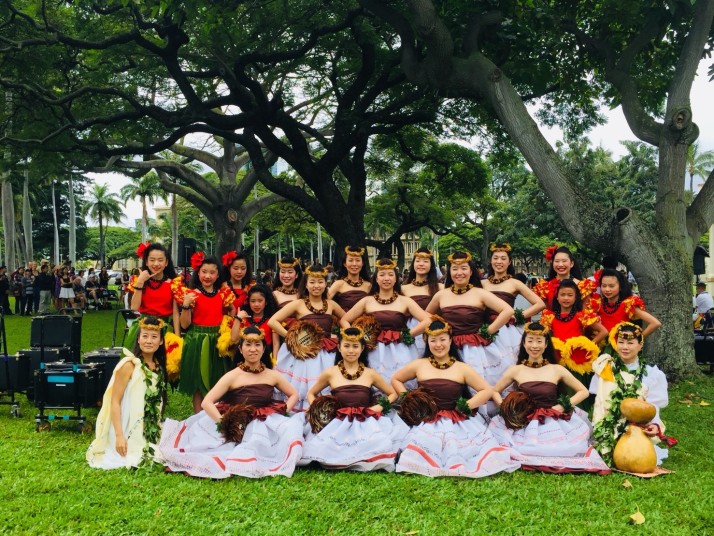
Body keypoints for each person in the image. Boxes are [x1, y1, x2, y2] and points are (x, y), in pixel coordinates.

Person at [159, 326, 304, 479]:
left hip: (262, 421)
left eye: (257, 345)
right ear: (240, 349)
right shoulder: (232, 376)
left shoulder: (272, 375)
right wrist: (225, 424)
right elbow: (207, 402)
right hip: (236, 420)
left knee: (290, 429)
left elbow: (294, 394)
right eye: (248, 345)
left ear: (263, 349)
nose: (253, 349)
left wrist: (282, 410)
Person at [391, 316, 520, 478]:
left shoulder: (461, 368)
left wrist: (467, 405)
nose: (438, 345)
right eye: (433, 340)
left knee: (461, 448)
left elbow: (486, 390)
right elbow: (396, 379)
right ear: (427, 342)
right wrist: (410, 400)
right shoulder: (420, 364)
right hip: (427, 419)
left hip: (457, 420)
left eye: (442, 340)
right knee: (425, 443)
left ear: (450, 340)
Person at [488, 322, 610, 473]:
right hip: (524, 421)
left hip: (553, 419)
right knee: (520, 448)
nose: (534, 346)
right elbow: (495, 391)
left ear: (546, 344)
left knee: (560, 449)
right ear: (524, 344)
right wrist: (506, 408)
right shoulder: (516, 370)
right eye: (530, 341)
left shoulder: (556, 369)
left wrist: (563, 406)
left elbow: (583, 391)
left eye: (539, 341)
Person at [300, 327, 407, 471]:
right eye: (347, 346)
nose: (351, 350)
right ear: (339, 347)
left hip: (365, 420)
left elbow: (392, 394)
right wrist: (319, 410)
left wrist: (378, 408)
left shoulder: (370, 373)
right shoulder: (330, 373)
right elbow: (311, 393)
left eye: (355, 346)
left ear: (362, 348)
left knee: (377, 444)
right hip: (337, 421)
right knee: (323, 448)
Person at [425, 251, 514, 392]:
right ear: (449, 272)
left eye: (464, 268)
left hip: (475, 350)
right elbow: (426, 316)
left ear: (471, 272)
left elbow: (507, 310)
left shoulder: (480, 293)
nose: (459, 273)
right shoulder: (441, 295)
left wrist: (489, 331)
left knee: (477, 388)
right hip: (447, 348)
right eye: (455, 269)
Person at [86, 316, 168, 469]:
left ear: (161, 341)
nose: (149, 341)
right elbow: (115, 401)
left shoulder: (158, 366)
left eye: (154, 337)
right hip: (124, 426)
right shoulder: (128, 365)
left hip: (146, 424)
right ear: (138, 339)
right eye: (145, 336)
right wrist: (119, 436)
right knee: (134, 458)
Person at [590, 323, 672, 467]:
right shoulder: (605, 370)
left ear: (640, 345)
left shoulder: (652, 375)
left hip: (636, 427)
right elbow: (600, 403)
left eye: (630, 343)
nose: (625, 347)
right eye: (621, 342)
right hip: (609, 426)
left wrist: (654, 425)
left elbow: (652, 407)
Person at [269, 264, 348, 410]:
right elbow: (273, 321)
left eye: (320, 282)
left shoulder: (331, 304)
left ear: (326, 284)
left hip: (325, 353)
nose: (316, 286)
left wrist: (346, 336)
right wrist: (291, 337)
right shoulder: (298, 304)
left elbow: (346, 319)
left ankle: (322, 411)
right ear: (305, 284)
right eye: (312, 282)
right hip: (303, 354)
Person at [342, 258, 431, 386]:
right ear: (376, 279)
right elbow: (345, 320)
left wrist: (408, 334)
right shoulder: (367, 301)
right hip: (374, 350)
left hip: (401, 349)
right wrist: (355, 338)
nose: (386, 278)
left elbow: (427, 321)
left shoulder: (405, 301)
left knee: (402, 384)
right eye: (382, 275)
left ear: (396, 279)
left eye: (390, 275)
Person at [177, 252, 235, 413]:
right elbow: (184, 324)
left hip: (217, 341)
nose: (207, 276)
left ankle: (215, 415)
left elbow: (232, 310)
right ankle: (198, 418)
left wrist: (228, 327)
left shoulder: (223, 294)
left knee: (217, 380)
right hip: (197, 340)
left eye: (212, 272)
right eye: (204, 272)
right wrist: (186, 305)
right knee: (198, 383)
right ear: (198, 273)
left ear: (218, 275)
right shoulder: (192, 295)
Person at [482, 243, 547, 357]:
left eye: (503, 258)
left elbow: (540, 304)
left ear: (509, 262)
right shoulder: (482, 284)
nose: (499, 262)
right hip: (484, 327)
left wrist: (518, 316)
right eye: (495, 258)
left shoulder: (515, 283)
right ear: (491, 261)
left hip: (505, 332)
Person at [127, 242, 181, 351]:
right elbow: (134, 307)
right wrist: (140, 282)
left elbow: (176, 314)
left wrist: (177, 337)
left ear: (166, 262)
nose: (156, 264)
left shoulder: (174, 284)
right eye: (152, 260)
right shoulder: (139, 281)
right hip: (143, 328)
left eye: (160, 260)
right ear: (146, 262)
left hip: (164, 329)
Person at [539, 279, 608, 360]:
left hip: (576, 358)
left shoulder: (582, 316)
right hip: (557, 358)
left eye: (570, 295)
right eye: (562, 295)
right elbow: (548, 337)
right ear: (557, 297)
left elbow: (604, 332)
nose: (566, 298)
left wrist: (588, 346)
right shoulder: (549, 316)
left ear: (575, 297)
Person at [594, 268, 661, 338]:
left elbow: (655, 323)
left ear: (620, 287)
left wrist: (637, 340)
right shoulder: (597, 303)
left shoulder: (627, 305)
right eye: (604, 286)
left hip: (620, 344)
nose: (607, 289)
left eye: (611, 286)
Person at [401, 247, 444, 355]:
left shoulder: (440, 288)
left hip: (434, 330)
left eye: (425, 261)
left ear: (431, 265)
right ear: (413, 264)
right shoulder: (403, 289)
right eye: (418, 261)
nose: (421, 264)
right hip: (409, 330)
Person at [534, 245, 597, 311]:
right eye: (557, 261)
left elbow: (586, 312)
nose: (560, 265)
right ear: (552, 264)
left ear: (571, 264)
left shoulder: (583, 286)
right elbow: (544, 310)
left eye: (564, 261)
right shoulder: (544, 286)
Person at [230, 284, 280, 358]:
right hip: (246, 358)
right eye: (253, 301)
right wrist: (238, 318)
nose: (256, 304)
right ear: (248, 302)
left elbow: (276, 344)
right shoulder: (244, 319)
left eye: (260, 301)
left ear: (266, 302)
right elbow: (233, 339)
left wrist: (275, 361)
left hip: (266, 358)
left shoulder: (272, 320)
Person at [327, 245, 372, 312]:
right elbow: (324, 302)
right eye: (350, 260)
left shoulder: (369, 285)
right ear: (345, 264)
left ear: (362, 263)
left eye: (358, 260)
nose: (354, 264)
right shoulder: (338, 284)